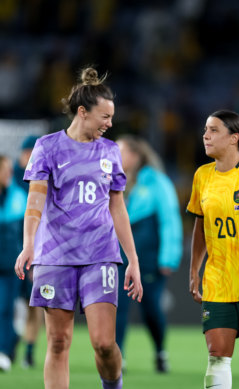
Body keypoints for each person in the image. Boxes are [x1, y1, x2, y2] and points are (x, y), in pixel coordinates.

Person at [14, 67, 143, 389]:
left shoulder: (110, 152)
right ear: (83, 112)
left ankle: (113, 385)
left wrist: (133, 261)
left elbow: (118, 207)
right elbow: (34, 203)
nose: (110, 123)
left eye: (112, 117)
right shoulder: (47, 147)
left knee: (103, 342)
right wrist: (29, 244)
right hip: (54, 257)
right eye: (105, 116)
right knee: (58, 342)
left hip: (100, 254)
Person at [188, 110, 239, 389]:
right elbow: (201, 227)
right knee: (217, 355)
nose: (205, 136)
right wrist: (194, 270)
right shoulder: (202, 176)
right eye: (205, 130)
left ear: (235, 138)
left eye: (213, 130)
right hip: (218, 279)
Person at [115, 135, 183, 373]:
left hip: (150, 261)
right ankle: (118, 358)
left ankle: (160, 351)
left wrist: (168, 258)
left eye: (120, 151)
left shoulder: (157, 182)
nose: (116, 156)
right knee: (117, 308)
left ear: (134, 156)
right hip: (120, 260)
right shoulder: (113, 182)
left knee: (151, 310)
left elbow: (170, 221)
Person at [13, 135, 44, 369]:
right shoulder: (10, 180)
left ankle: (30, 351)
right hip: (9, 253)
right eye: (29, 153)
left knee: (35, 305)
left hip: (35, 251)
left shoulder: (44, 179)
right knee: (8, 305)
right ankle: (10, 346)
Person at [0, 155, 27, 371]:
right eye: (3, 169)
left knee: (6, 308)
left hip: (10, 264)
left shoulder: (18, 196)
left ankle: (5, 352)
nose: (7, 173)